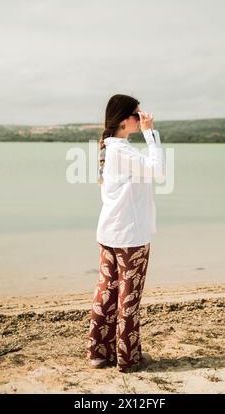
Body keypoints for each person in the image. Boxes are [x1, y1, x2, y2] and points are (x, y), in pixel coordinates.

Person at [87, 93, 165, 373]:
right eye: (137, 114)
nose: (141, 117)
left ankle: (98, 354)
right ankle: (128, 359)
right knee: (128, 299)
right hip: (130, 237)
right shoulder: (123, 151)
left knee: (106, 293)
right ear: (124, 121)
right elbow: (157, 171)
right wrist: (151, 133)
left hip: (110, 232)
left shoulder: (110, 148)